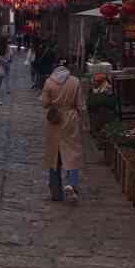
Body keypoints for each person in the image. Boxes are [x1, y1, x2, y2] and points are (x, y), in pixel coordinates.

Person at [42, 57, 83, 203]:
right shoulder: (75, 81)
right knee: (73, 152)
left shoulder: (49, 82)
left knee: (54, 154)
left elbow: (45, 103)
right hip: (71, 118)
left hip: (55, 119)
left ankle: (55, 191)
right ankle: (72, 184)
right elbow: (80, 104)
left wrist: (54, 101)